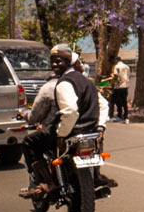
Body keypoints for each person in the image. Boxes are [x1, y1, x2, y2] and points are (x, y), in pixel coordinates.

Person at [19, 45, 108, 197]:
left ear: (68, 62)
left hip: (69, 131)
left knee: (28, 142)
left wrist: (61, 134)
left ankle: (46, 182)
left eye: (58, 61)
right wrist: (100, 127)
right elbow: (103, 104)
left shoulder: (63, 84)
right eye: (52, 61)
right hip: (89, 131)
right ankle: (97, 177)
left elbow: (70, 111)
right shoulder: (87, 82)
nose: (54, 64)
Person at [109, 57, 131, 124]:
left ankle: (119, 115)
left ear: (116, 60)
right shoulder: (127, 66)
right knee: (124, 101)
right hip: (125, 86)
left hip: (118, 86)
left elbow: (115, 76)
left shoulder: (116, 67)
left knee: (118, 102)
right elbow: (128, 76)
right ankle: (126, 117)